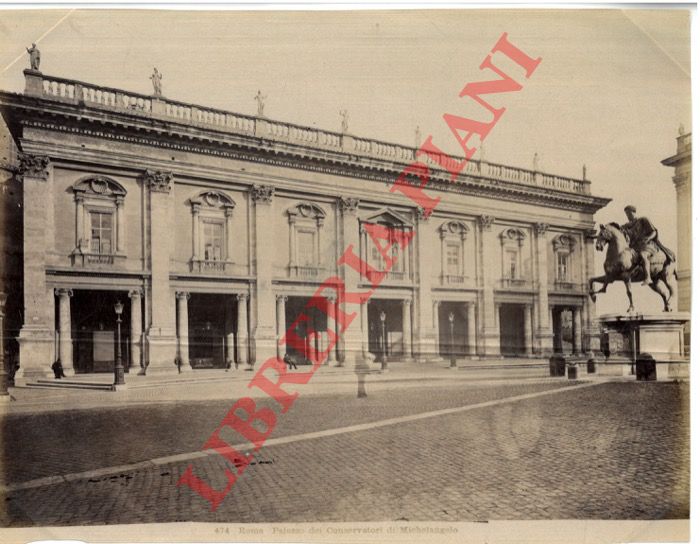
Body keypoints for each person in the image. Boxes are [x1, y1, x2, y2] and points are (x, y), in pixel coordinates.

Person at [621, 205, 675, 286]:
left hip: (647, 245)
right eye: (626, 214)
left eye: (629, 213)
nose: (628, 216)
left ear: (633, 212)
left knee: (643, 255)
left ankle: (648, 277)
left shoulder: (643, 220)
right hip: (635, 247)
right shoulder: (627, 225)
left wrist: (648, 238)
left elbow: (654, 232)